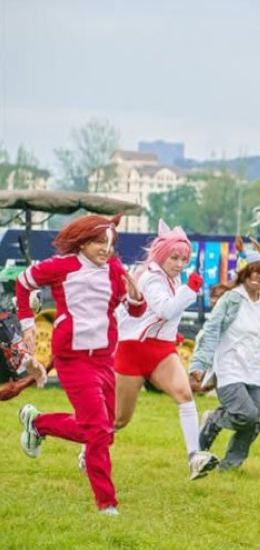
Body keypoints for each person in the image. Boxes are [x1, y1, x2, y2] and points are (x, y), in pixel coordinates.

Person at [15, 214, 147, 515]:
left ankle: (38, 423)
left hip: (104, 359)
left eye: (111, 244)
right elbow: (23, 283)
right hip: (73, 360)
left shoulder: (114, 269)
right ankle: (107, 503)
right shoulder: (61, 266)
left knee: (103, 431)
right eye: (100, 242)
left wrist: (136, 298)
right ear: (83, 241)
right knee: (98, 432)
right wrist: (27, 324)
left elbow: (136, 311)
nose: (106, 249)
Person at [114, 220, 219, 480]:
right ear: (161, 255)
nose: (180, 264)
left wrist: (172, 333)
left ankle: (194, 457)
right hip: (133, 350)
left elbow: (162, 316)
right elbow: (166, 309)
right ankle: (88, 448)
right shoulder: (151, 278)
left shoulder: (171, 277)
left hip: (161, 350)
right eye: (175, 258)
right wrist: (190, 290)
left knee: (185, 394)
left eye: (184, 259)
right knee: (119, 419)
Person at [188, 247, 260, 470]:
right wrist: (199, 363)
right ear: (244, 274)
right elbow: (211, 330)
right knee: (246, 416)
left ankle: (229, 467)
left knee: (253, 423)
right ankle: (213, 421)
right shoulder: (231, 299)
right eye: (254, 271)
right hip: (228, 368)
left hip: (254, 370)